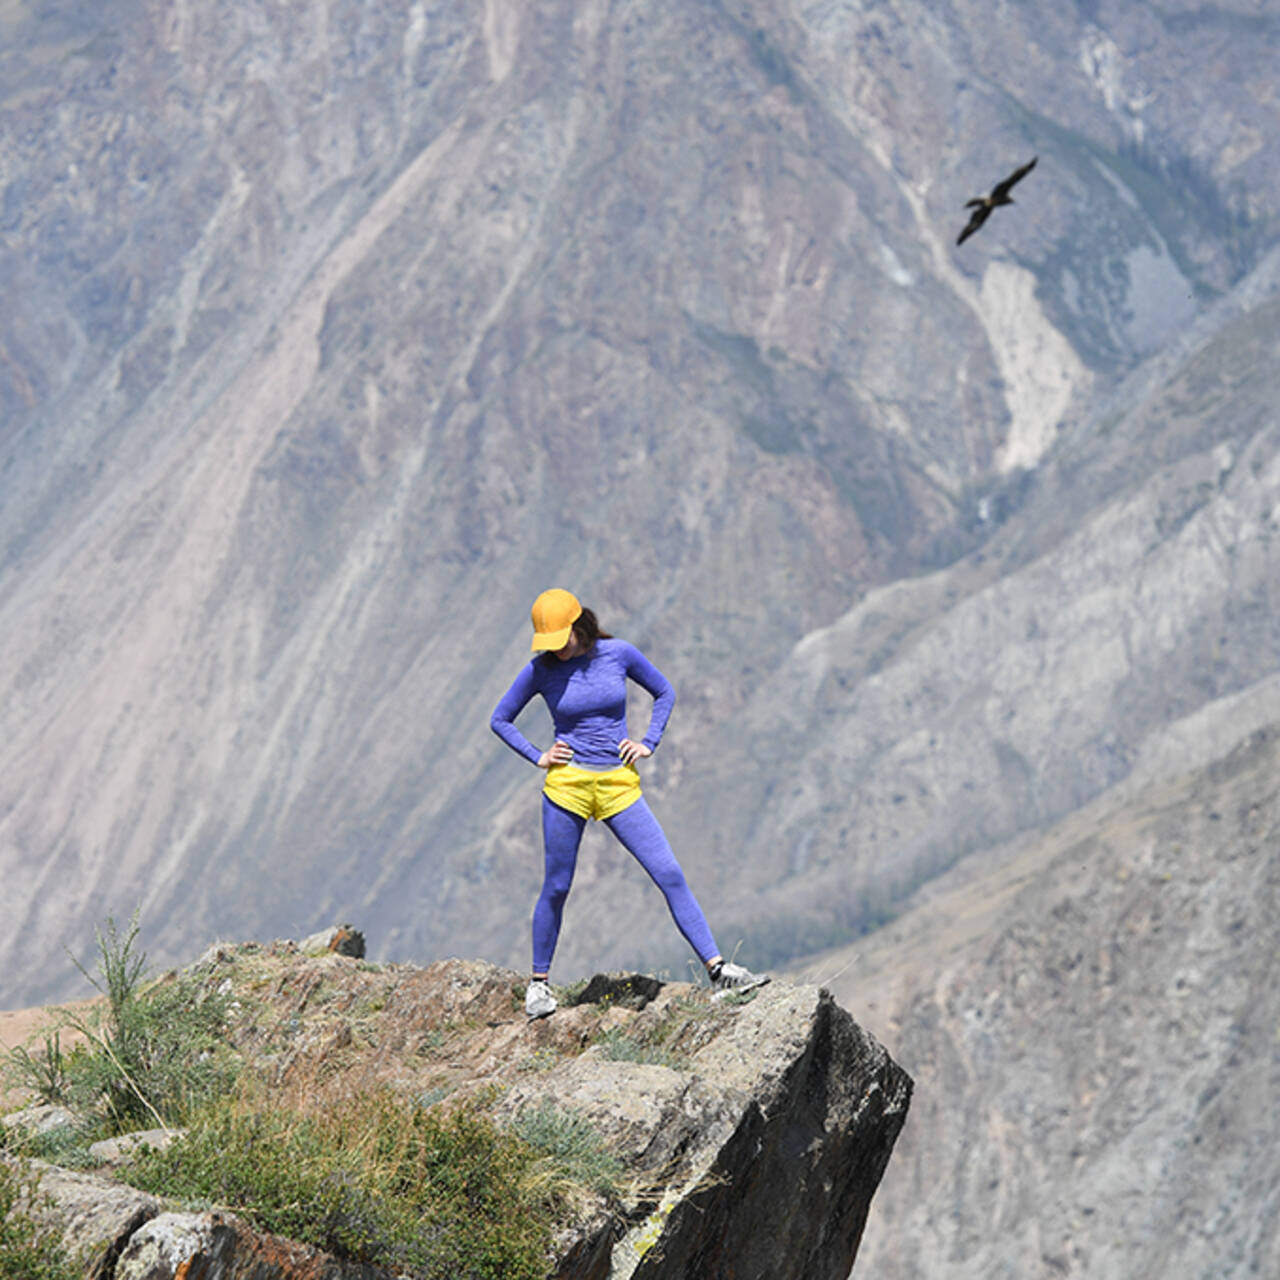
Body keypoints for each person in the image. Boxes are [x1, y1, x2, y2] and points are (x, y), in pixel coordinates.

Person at [491, 588, 769, 1018]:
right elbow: (500, 719)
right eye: (548, 643)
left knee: (668, 872)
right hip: (567, 786)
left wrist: (648, 743)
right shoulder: (540, 670)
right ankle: (539, 986)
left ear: (578, 625)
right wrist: (539, 756)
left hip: (619, 784)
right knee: (558, 886)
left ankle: (719, 972)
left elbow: (665, 692)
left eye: (560, 640)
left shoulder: (617, 654)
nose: (556, 651)